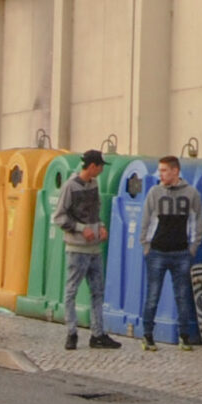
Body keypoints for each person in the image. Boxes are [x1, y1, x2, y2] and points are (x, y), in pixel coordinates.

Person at [53, 150, 119, 352]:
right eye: (99, 166)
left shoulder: (94, 185)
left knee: (97, 291)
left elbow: (94, 211)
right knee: (71, 290)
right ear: (92, 166)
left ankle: (97, 334)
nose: (100, 170)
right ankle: (71, 332)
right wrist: (82, 229)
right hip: (77, 247)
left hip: (94, 248)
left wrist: (101, 226)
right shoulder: (70, 187)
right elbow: (59, 217)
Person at [139, 153, 202, 351]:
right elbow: (146, 220)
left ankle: (184, 336)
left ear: (175, 171)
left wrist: (193, 247)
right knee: (153, 295)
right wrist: (146, 245)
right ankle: (148, 335)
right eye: (160, 171)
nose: (161, 174)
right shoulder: (154, 192)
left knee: (183, 296)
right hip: (157, 251)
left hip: (181, 253)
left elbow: (197, 221)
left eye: (164, 170)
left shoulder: (191, 193)